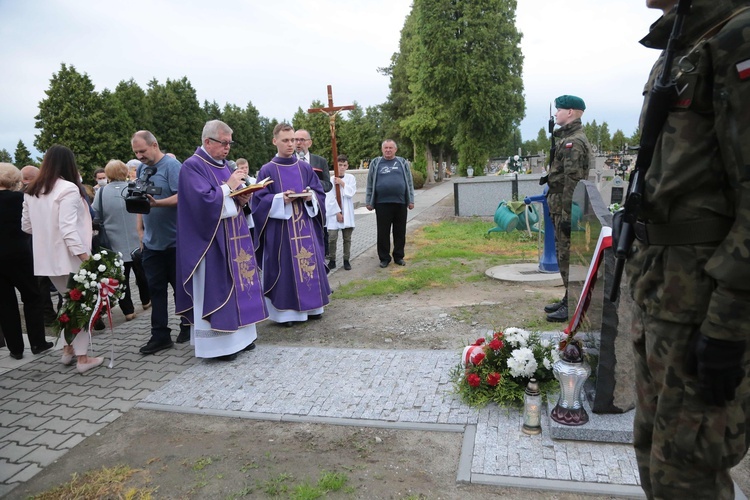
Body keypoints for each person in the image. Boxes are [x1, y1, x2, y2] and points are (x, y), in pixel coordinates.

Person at [626, 1, 750, 498]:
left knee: (689, 473)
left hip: (705, 304)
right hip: (662, 290)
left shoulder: (738, 34)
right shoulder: (682, 41)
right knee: (655, 460)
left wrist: (727, 326)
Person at [175, 120, 267, 361]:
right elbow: (202, 204)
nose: (228, 148)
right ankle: (219, 347)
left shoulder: (226, 165)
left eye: (230, 143)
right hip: (211, 243)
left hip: (234, 238)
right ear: (208, 141)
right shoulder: (192, 167)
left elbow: (229, 197)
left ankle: (244, 338)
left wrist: (243, 198)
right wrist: (229, 187)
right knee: (218, 290)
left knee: (241, 288)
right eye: (224, 143)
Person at [22, 145, 102, 373]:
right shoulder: (68, 189)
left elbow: (26, 227)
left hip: (47, 258)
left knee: (68, 303)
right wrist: (88, 260)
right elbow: (68, 230)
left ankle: (68, 349)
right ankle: (82, 358)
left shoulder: (31, 190)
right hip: (71, 257)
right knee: (81, 305)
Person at [252, 123, 330, 327]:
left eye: (293, 140)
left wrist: (310, 197)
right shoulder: (267, 170)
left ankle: (314, 308)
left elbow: (318, 192)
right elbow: (258, 201)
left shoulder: (304, 167)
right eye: (286, 140)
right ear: (274, 141)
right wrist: (279, 199)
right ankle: (286, 314)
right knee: (285, 266)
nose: (291, 144)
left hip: (305, 227)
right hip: (282, 232)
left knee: (309, 265)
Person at [130, 130, 189, 355]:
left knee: (180, 289)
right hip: (152, 243)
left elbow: (183, 196)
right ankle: (160, 335)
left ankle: (187, 325)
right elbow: (140, 200)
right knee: (156, 291)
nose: (139, 156)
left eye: (142, 151)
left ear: (154, 145)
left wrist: (158, 204)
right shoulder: (142, 169)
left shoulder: (173, 167)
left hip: (175, 242)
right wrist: (140, 231)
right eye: (136, 152)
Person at [543, 95, 591, 323]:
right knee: (564, 257)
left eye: (559, 109)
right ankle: (568, 298)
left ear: (570, 112)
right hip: (559, 206)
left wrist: (567, 215)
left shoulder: (574, 142)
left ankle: (573, 304)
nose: (555, 113)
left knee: (566, 258)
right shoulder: (567, 139)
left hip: (565, 208)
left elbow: (573, 181)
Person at [0, 163, 52, 360]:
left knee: (5, 303)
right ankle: (38, 342)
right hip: (21, 254)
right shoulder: (22, 198)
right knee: (32, 297)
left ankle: (15, 348)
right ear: (15, 179)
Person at [92, 159, 151, 321]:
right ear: (125, 172)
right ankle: (146, 301)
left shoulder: (101, 193)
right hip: (137, 238)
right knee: (142, 273)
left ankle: (128, 311)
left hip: (113, 241)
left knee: (121, 277)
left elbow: (96, 215)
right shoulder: (134, 188)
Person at [365, 139, 415, 268]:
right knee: (383, 232)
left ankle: (399, 256)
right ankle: (384, 258)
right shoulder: (376, 163)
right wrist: (369, 201)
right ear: (382, 149)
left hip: (400, 202)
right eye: (385, 148)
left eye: (390, 148)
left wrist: (411, 200)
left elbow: (409, 182)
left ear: (395, 149)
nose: (388, 150)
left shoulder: (402, 162)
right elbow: (370, 183)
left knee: (400, 231)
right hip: (382, 203)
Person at [294, 129, 333, 262]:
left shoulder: (320, 161)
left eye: (302, 140)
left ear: (309, 143)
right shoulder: (288, 161)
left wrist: (313, 187)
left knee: (316, 239)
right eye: (295, 140)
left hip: (315, 208)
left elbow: (328, 185)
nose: (298, 143)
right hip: (294, 209)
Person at [325, 154, 356, 271]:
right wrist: (337, 212)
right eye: (340, 165)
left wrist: (342, 183)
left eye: (344, 165)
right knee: (332, 238)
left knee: (347, 239)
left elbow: (351, 192)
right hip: (334, 214)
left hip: (347, 212)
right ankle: (332, 259)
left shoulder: (350, 178)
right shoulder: (330, 179)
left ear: (347, 166)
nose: (342, 167)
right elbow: (329, 197)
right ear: (336, 166)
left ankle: (346, 260)